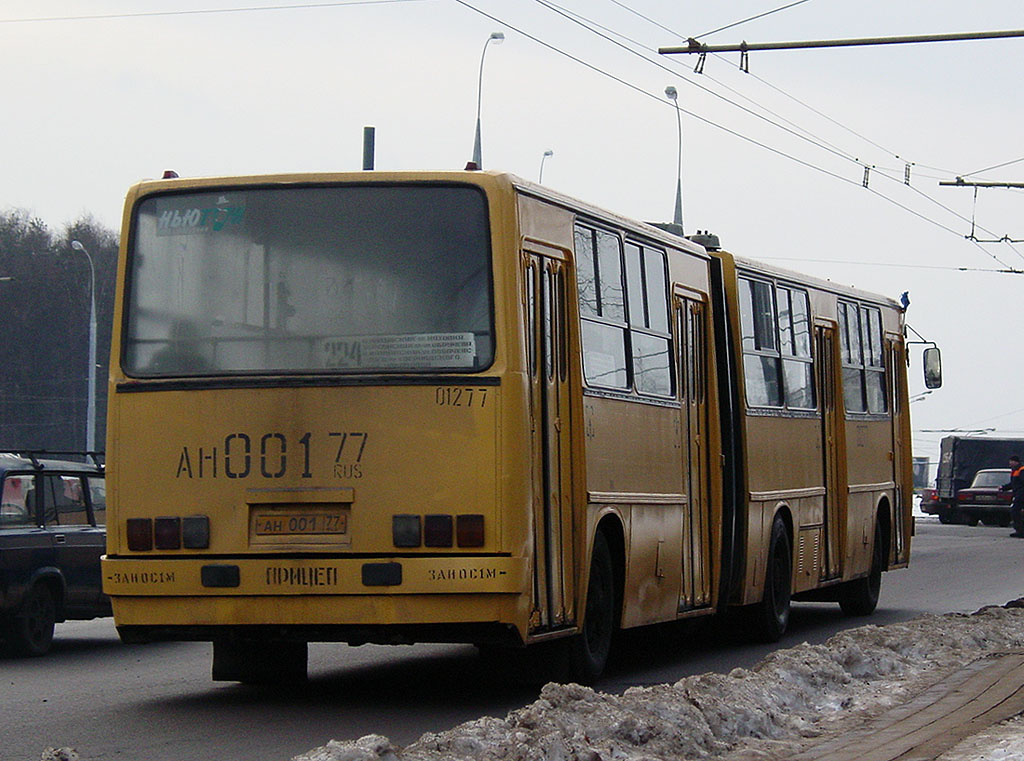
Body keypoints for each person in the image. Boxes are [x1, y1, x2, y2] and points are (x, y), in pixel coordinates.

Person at [1001, 455, 1024, 537]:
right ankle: (1019, 530)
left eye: (1011, 461)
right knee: (1016, 512)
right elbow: (1014, 483)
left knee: (1015, 512)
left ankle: (1021, 531)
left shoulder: (1021, 470)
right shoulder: (1015, 470)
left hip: (1021, 495)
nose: (1009, 463)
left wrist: (1020, 493)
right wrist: (1003, 487)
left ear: (1016, 462)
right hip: (1018, 494)